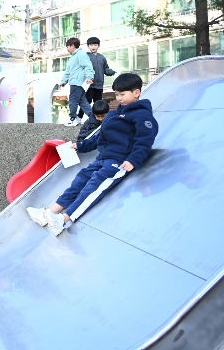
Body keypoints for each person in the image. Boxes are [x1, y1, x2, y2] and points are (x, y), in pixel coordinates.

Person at [27, 73, 158, 236]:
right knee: (81, 178)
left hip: (118, 162)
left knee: (93, 186)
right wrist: (80, 146)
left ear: (136, 92)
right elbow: (98, 137)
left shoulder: (142, 116)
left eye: (122, 94)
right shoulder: (113, 114)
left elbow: (145, 140)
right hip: (103, 158)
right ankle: (50, 212)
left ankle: (65, 219)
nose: (119, 98)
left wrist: (133, 160)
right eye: (116, 94)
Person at [77, 37, 116, 121]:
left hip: (99, 85)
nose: (93, 47)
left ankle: (98, 118)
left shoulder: (102, 57)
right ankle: (79, 117)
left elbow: (105, 69)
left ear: (98, 46)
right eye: (91, 45)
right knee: (86, 101)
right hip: (89, 84)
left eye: (95, 45)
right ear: (88, 46)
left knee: (98, 103)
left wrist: (112, 72)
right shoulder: (85, 56)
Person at [60, 38, 95, 127]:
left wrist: (89, 77)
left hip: (77, 82)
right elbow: (68, 71)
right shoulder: (73, 57)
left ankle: (73, 118)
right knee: (82, 101)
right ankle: (93, 118)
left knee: (73, 100)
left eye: (67, 47)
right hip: (75, 82)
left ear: (72, 46)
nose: (67, 49)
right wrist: (63, 81)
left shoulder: (81, 54)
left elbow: (88, 66)